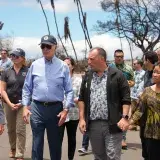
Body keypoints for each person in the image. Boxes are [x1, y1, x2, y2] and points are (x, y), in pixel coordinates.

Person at [22, 35, 74, 160]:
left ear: (55, 47)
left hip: (55, 110)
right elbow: (26, 88)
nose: (45, 49)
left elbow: (69, 91)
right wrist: (25, 106)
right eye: (42, 46)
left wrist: (66, 110)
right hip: (37, 108)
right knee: (37, 144)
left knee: (55, 145)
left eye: (48, 46)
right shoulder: (34, 65)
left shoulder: (63, 66)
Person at [78, 47, 131, 160]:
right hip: (93, 125)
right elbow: (81, 98)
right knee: (98, 156)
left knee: (112, 156)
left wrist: (125, 117)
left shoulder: (117, 75)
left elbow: (126, 98)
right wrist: (82, 118)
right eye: (88, 59)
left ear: (102, 59)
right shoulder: (88, 76)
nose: (89, 62)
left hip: (112, 124)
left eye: (91, 59)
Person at [1, 48, 28, 160]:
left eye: (16, 56)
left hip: (23, 104)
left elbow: (31, 88)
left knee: (20, 129)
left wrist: (23, 103)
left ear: (22, 58)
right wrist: (9, 103)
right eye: (12, 55)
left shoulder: (28, 70)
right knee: (11, 128)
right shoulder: (6, 71)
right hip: (8, 104)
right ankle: (13, 148)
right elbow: (2, 90)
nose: (13, 58)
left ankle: (20, 154)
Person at [129, 63, 160, 160]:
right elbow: (139, 110)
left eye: (158, 73)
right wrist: (129, 122)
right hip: (151, 133)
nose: (154, 74)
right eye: (154, 71)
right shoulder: (147, 91)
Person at [110, 49, 134, 149]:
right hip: (112, 97)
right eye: (117, 56)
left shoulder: (128, 68)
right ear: (114, 57)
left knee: (124, 117)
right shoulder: (110, 67)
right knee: (112, 117)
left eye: (121, 56)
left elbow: (133, 82)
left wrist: (127, 83)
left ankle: (123, 138)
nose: (119, 58)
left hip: (124, 97)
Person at [139, 51, 158, 160]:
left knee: (153, 141)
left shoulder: (157, 73)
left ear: (148, 60)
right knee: (143, 136)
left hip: (154, 113)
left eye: (145, 60)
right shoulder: (146, 73)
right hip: (144, 111)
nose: (144, 62)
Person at [61, 57, 81, 160]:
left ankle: (70, 158)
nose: (65, 66)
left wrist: (73, 99)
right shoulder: (58, 79)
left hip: (73, 113)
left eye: (68, 64)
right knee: (57, 139)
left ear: (72, 66)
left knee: (71, 139)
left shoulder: (78, 80)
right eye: (63, 64)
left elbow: (82, 96)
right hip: (59, 114)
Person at [130, 59, 145, 128]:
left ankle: (141, 125)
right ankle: (134, 125)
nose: (134, 65)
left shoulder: (144, 73)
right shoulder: (133, 73)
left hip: (140, 96)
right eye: (133, 64)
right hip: (133, 95)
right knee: (133, 110)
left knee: (140, 111)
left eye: (135, 64)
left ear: (139, 64)